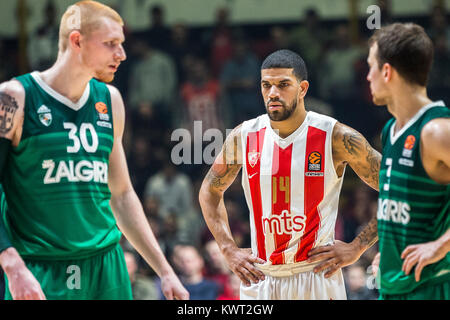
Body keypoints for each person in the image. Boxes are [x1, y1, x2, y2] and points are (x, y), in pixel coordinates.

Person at [0, 1, 188, 300]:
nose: (122, 54)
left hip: (106, 266)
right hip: (41, 266)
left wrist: (165, 270)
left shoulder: (110, 100)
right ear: (77, 41)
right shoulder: (15, 97)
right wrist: (10, 263)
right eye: (111, 44)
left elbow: (122, 194)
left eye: (122, 44)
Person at [199, 49, 381, 300]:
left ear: (303, 88)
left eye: (283, 84)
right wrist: (228, 249)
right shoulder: (244, 135)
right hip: (260, 277)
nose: (273, 93)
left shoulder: (336, 136)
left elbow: (398, 189)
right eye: (266, 85)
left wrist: (358, 247)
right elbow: (209, 191)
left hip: (316, 275)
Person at [366, 23, 450, 300]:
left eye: (371, 67)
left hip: (432, 286)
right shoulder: (391, 131)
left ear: (387, 72)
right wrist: (387, 256)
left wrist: (441, 245)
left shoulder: (436, 130)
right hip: (393, 287)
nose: (368, 77)